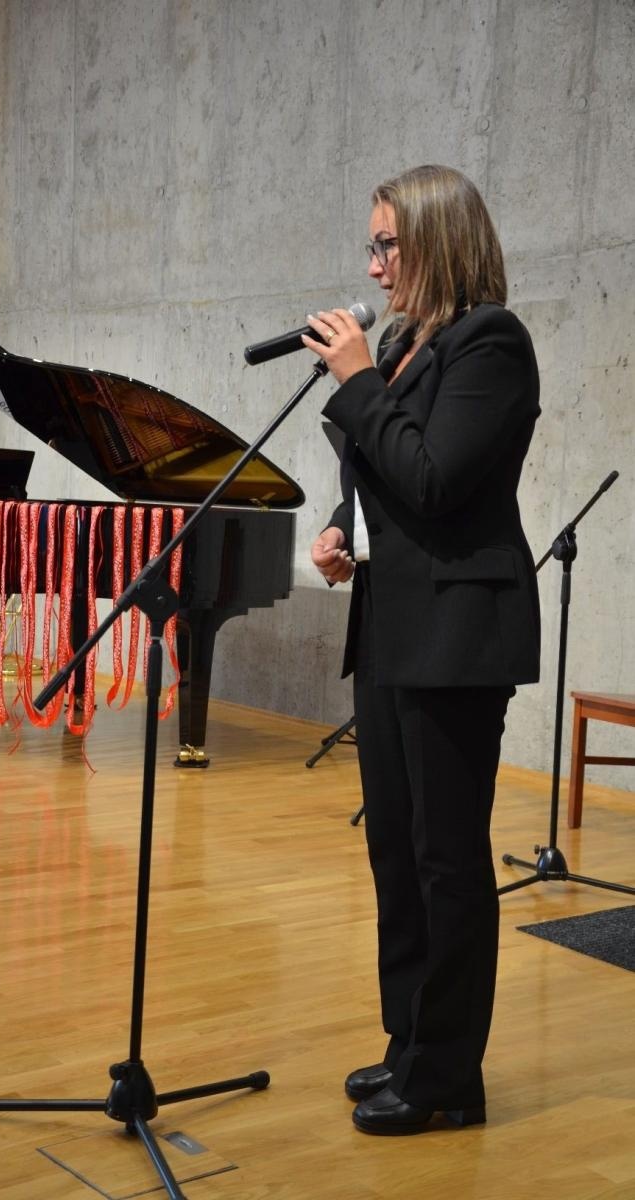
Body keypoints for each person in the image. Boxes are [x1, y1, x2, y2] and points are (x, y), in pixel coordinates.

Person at [304, 164, 541, 1136]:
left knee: (446, 861)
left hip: (455, 637)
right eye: (370, 246)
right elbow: (384, 479)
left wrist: (358, 380)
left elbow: (437, 478)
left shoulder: (492, 343)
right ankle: (409, 1042)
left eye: (386, 245)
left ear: (437, 241)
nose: (373, 266)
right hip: (391, 627)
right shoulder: (405, 347)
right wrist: (340, 526)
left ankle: (448, 1078)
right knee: (395, 854)